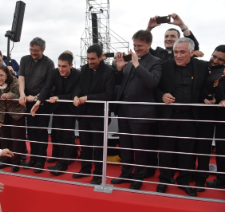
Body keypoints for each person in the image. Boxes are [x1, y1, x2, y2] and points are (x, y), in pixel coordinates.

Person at [155, 38, 209, 197]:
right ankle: (164, 180)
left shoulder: (202, 66)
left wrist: (211, 97)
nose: (178, 55)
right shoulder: (164, 66)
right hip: (168, 116)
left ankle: (184, 181)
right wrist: (162, 95)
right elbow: (154, 88)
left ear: (192, 53)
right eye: (176, 52)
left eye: (182, 52)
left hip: (190, 117)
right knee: (165, 151)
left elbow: (207, 86)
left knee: (187, 152)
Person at [110, 30, 163, 190]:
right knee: (125, 145)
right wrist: (119, 69)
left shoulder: (156, 62)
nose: (136, 48)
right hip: (124, 111)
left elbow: (152, 82)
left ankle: (138, 177)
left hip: (141, 113)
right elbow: (119, 84)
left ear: (149, 44)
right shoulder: (129, 62)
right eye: (134, 45)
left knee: (140, 147)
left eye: (139, 46)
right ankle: (125, 173)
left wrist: (137, 64)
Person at [31, 52, 80, 176]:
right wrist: (39, 101)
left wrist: (58, 97)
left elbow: (74, 94)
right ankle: (61, 157)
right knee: (57, 134)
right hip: (57, 108)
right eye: (59, 65)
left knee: (67, 135)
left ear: (71, 65)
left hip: (70, 108)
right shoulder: (54, 72)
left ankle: (64, 163)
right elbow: (47, 87)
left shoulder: (78, 75)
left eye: (64, 66)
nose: (60, 69)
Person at [72, 44, 115, 185]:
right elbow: (79, 87)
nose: (90, 61)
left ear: (101, 57)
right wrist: (76, 96)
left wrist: (87, 98)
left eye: (93, 59)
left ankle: (98, 174)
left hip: (99, 115)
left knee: (98, 146)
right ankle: (85, 169)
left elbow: (108, 95)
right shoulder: (84, 69)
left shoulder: (109, 71)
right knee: (84, 144)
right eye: (88, 58)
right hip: (84, 114)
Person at [18, 37, 55, 173]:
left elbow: (49, 84)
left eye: (36, 51)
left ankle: (40, 160)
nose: (33, 53)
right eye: (31, 50)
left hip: (42, 103)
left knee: (41, 131)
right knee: (31, 131)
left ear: (43, 50)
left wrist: (37, 97)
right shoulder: (24, 59)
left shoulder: (49, 63)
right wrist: (22, 94)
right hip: (27, 101)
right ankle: (33, 158)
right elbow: (21, 78)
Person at [0, 65, 26, 173]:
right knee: (4, 138)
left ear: (6, 75)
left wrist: (10, 95)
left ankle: (16, 162)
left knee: (17, 139)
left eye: (1, 75)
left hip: (16, 113)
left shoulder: (14, 80)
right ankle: (5, 160)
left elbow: (18, 93)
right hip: (1, 115)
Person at [205, 46, 225, 189]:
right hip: (211, 115)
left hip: (223, 116)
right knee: (220, 148)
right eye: (215, 56)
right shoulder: (206, 68)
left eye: (221, 59)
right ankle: (221, 178)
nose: (216, 61)